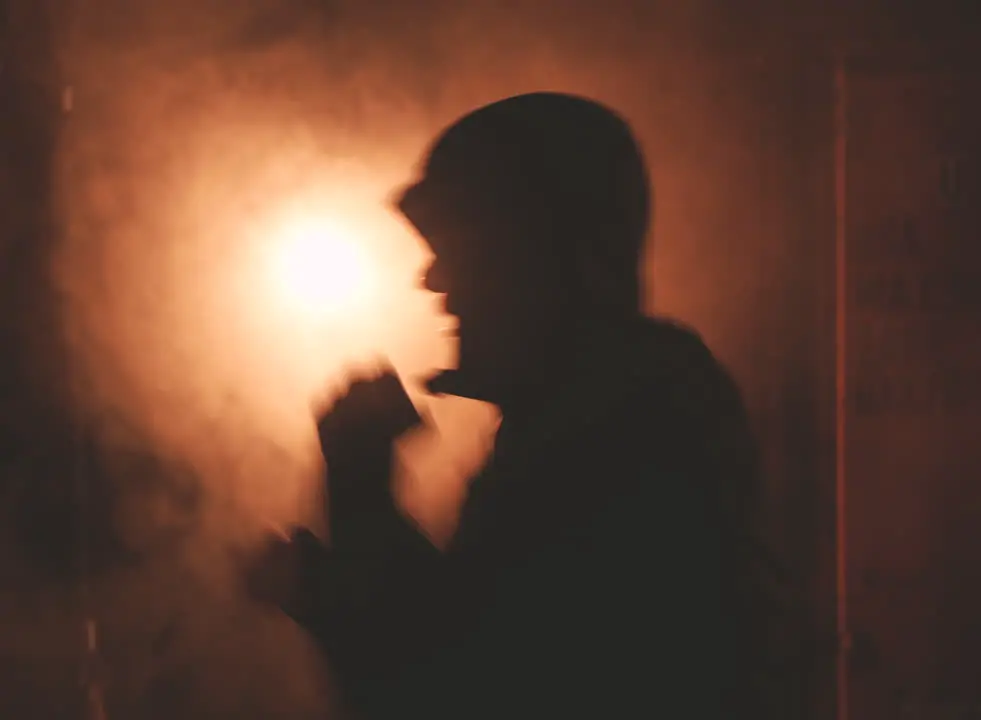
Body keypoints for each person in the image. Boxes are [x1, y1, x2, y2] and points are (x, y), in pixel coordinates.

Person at [253, 92, 782, 719]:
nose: (435, 281)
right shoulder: (620, 414)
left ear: (549, 256)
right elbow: (466, 630)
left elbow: (456, 689)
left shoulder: (616, 444)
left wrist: (361, 497)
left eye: (465, 250)